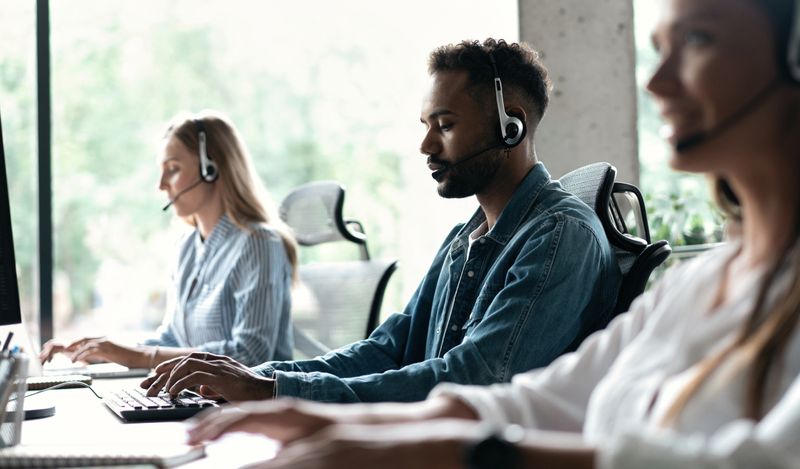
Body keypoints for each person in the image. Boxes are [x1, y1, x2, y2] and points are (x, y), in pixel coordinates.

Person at [183, 0, 800, 467]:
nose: (654, 81)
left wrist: (432, 446)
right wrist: (291, 399)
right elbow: (515, 395)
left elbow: (480, 376)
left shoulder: (559, 233)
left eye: (697, 40)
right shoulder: (698, 285)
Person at [140, 39, 621, 403]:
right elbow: (389, 348)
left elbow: (473, 379)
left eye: (446, 125)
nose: (426, 146)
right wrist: (259, 378)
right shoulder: (463, 240)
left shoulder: (559, 236)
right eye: (426, 126)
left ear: (509, 124)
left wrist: (276, 391)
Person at [39, 111, 298, 368]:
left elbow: (250, 356)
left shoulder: (259, 243)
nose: (161, 185)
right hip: (196, 401)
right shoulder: (186, 248)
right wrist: (103, 350)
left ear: (212, 169)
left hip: (248, 408)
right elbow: (172, 339)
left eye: (173, 169)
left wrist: (138, 357)